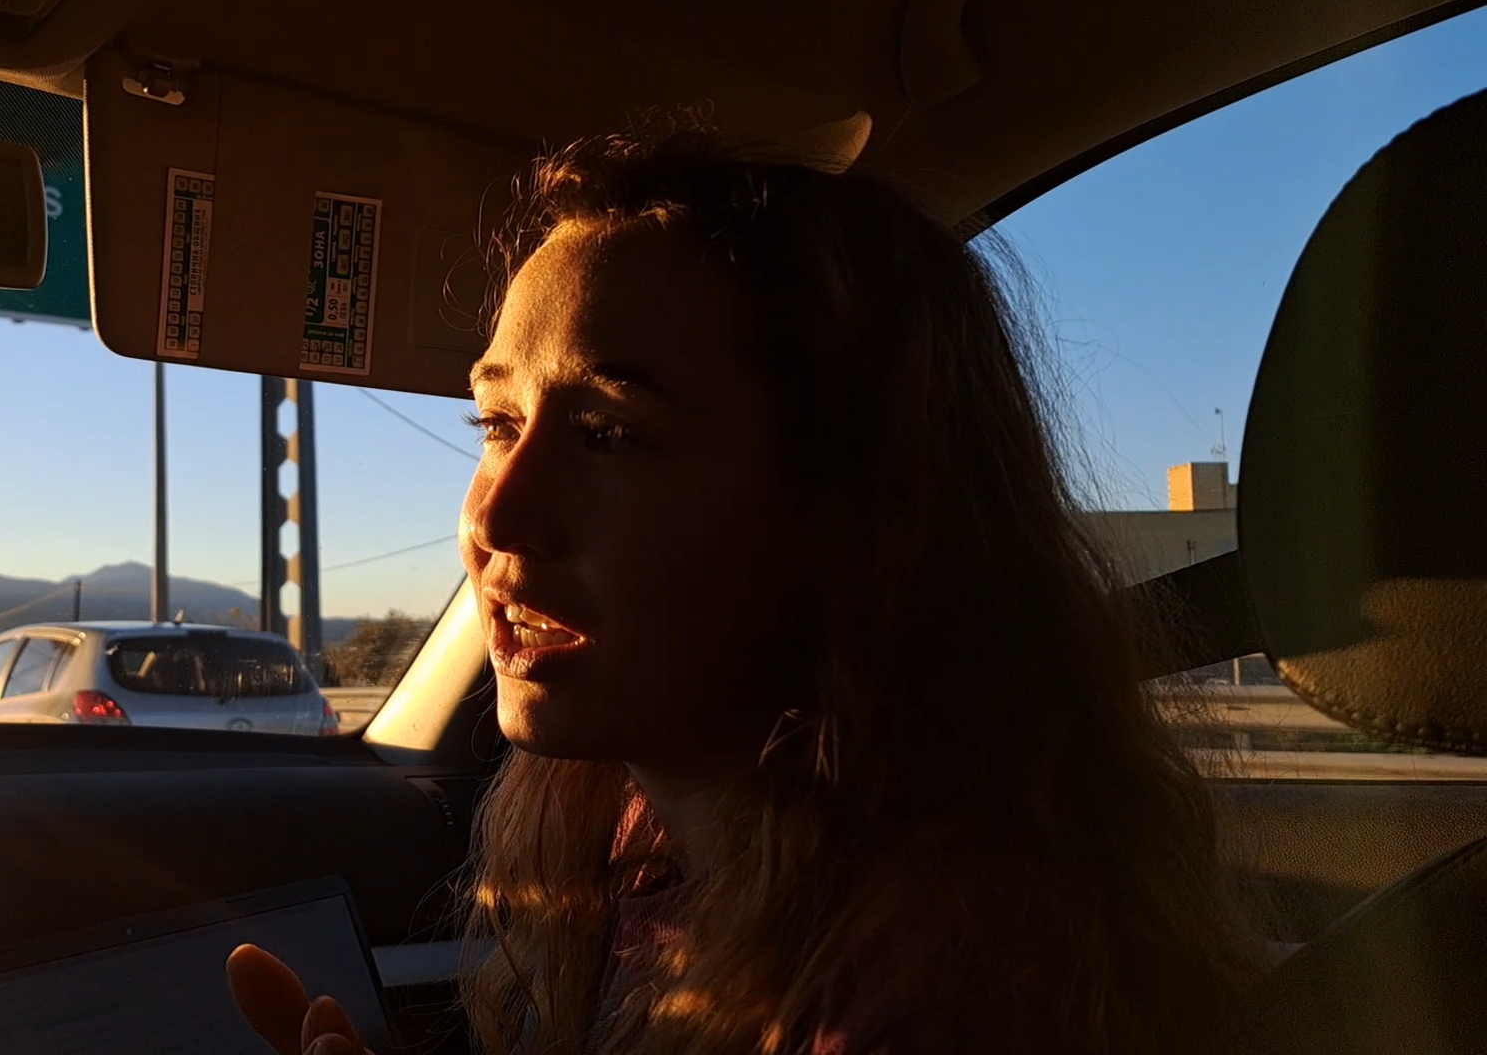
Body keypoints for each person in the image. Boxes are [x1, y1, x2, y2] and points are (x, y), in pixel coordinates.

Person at [227, 119, 1263, 1055]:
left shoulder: (938, 990)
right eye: (497, 424)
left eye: (608, 434)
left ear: (851, 507)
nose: (493, 519)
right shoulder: (634, 839)